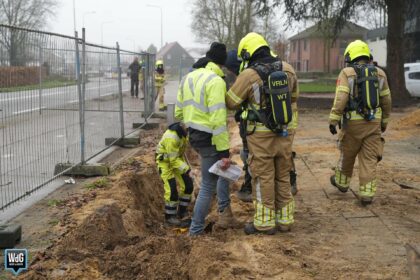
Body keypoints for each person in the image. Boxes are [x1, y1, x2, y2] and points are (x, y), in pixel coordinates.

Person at [225, 32, 299, 234]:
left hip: (259, 136)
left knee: (262, 177)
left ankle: (264, 223)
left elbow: (231, 102)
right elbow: (293, 98)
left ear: (248, 53)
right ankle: (285, 221)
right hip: (284, 134)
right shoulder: (288, 69)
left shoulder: (249, 75)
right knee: (283, 176)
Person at [175, 42, 238, 236]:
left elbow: (178, 111)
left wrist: (193, 122)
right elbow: (218, 120)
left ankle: (225, 212)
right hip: (210, 138)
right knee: (208, 185)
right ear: (221, 63)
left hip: (194, 136)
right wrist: (224, 152)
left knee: (221, 175)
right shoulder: (216, 81)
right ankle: (195, 231)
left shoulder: (188, 77)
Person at [329, 40, 391, 205]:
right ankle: (367, 193)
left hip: (352, 124)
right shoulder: (380, 73)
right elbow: (386, 100)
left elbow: (341, 98)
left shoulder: (347, 73)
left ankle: (342, 182)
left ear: (350, 56)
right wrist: (384, 122)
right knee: (369, 158)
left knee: (347, 153)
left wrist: (333, 120)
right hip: (374, 124)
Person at [156, 122, 194, 227]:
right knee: (172, 190)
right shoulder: (171, 137)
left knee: (188, 186)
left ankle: (182, 211)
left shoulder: (182, 133)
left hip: (177, 160)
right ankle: (169, 217)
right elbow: (173, 161)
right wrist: (187, 169)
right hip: (165, 163)